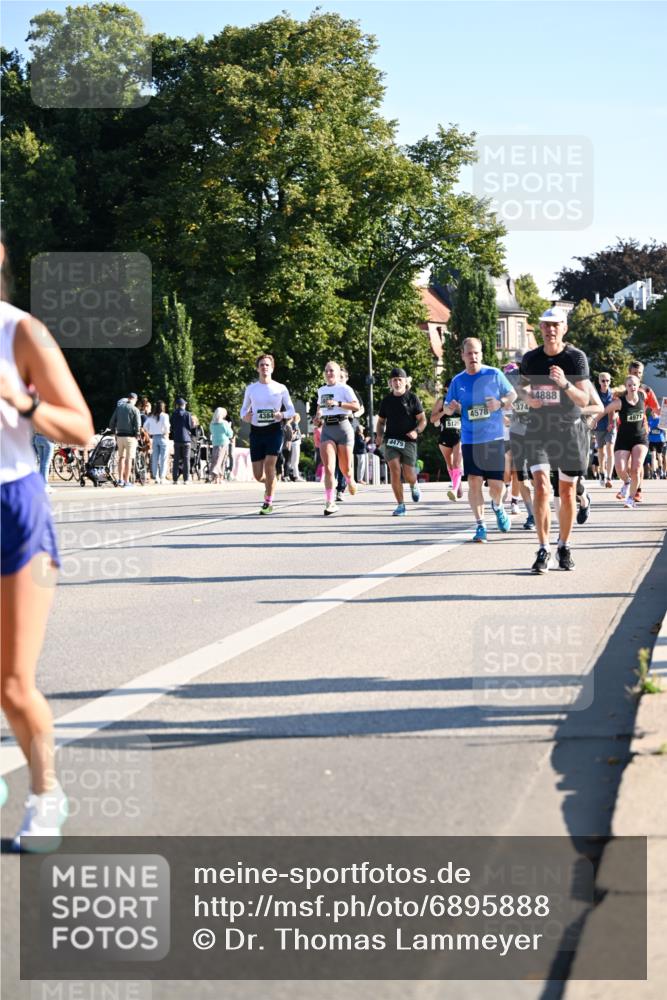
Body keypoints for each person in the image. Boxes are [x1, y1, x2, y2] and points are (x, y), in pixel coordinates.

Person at [0, 239, 94, 849]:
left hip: (13, 508)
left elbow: (81, 429)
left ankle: (45, 794)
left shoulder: (20, 333)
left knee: (11, 681)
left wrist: (21, 400)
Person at [519, 307, 600, 573]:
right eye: (546, 325)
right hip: (539, 428)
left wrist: (564, 383)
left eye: (556, 325)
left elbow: (584, 400)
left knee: (566, 493)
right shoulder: (531, 358)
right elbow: (522, 387)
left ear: (564, 328)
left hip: (569, 430)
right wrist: (527, 397)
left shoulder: (576, 358)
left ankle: (563, 545)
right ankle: (543, 549)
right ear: (540, 328)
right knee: (541, 487)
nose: (550, 329)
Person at [444, 339, 516, 542]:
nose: (473, 357)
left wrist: (500, 403)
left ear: (481, 354)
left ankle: (499, 506)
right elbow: (448, 407)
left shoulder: (494, 374)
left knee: (496, 486)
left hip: (493, 437)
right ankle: (480, 525)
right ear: (463, 356)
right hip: (470, 438)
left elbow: (513, 394)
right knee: (473, 482)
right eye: (469, 354)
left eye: (476, 353)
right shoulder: (458, 381)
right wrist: (450, 408)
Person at [240, 353, 295, 514]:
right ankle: (270, 484)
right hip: (256, 432)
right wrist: (245, 417)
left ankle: (268, 501)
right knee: (258, 475)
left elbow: (291, 410)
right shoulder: (251, 389)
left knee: (270, 465)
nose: (265, 367)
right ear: (258, 368)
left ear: (272, 368)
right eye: (262, 365)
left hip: (274, 430)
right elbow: (243, 410)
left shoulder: (280, 388)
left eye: (267, 365)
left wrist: (282, 415)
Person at [375, 367, 427, 517]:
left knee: (409, 474)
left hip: (408, 441)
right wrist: (379, 435)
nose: (397, 383)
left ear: (405, 382)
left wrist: (416, 431)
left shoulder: (412, 398)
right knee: (395, 471)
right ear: (390, 383)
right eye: (394, 380)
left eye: (399, 380)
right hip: (391, 440)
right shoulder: (386, 400)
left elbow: (423, 420)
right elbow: (380, 422)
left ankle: (414, 484)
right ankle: (400, 505)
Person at [315, 361, 360, 515]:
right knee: (328, 468)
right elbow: (320, 408)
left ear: (338, 373)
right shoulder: (321, 390)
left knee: (345, 468)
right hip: (327, 428)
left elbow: (356, 406)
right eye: (326, 371)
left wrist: (338, 403)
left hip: (343, 427)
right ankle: (330, 502)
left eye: (332, 371)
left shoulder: (345, 388)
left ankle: (349, 479)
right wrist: (317, 417)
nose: (329, 373)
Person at [607, 374, 649, 508]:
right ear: (626, 386)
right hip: (623, 437)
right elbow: (606, 410)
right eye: (629, 385)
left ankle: (631, 498)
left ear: (639, 385)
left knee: (636, 468)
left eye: (635, 384)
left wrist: (659, 411)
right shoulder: (620, 401)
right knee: (620, 467)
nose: (632, 387)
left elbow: (656, 406)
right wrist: (598, 420)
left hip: (640, 436)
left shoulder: (643, 395)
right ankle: (627, 482)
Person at [430, 379, 463, 502]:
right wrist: (444, 411)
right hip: (445, 436)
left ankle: (454, 490)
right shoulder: (441, 401)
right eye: (450, 387)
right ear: (446, 389)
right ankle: (457, 484)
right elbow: (432, 419)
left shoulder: (462, 400)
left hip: (460, 435)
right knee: (449, 465)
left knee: (456, 463)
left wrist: (460, 408)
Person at [109, 391, 141, 488]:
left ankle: (120, 480)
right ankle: (127, 481)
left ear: (128, 398)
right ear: (134, 399)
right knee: (129, 459)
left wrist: (114, 431)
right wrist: (137, 435)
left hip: (119, 436)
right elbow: (138, 425)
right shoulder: (135, 409)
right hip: (130, 437)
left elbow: (111, 422)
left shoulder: (119, 408)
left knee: (121, 458)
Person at [594, 372, 616, 487]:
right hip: (599, 426)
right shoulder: (595, 395)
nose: (605, 383)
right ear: (599, 381)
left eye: (607, 380)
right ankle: (602, 472)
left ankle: (609, 477)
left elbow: (616, 409)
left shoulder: (613, 394)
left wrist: (612, 422)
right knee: (601, 451)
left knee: (610, 448)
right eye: (603, 381)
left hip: (611, 425)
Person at [144, 400, 170, 484]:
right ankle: (162, 477)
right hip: (163, 437)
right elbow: (166, 426)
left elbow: (145, 426)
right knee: (164, 458)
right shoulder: (165, 416)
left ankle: (156, 476)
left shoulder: (151, 416)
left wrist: (150, 431)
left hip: (154, 438)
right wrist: (166, 433)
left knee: (155, 458)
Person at [171, 397, 195, 484]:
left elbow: (172, 425)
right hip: (186, 439)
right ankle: (186, 479)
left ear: (177, 405)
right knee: (186, 459)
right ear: (184, 405)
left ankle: (175, 479)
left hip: (177, 438)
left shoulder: (174, 413)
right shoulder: (188, 414)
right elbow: (190, 426)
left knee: (176, 459)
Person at [209, 407, 233, 484]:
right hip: (224, 443)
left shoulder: (212, 423)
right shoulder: (224, 423)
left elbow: (212, 432)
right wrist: (229, 427)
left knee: (215, 459)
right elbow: (230, 434)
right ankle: (220, 478)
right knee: (222, 460)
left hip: (215, 443)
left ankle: (215, 479)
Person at [648, 413, 666, 479]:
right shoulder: (649, 418)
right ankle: (654, 472)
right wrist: (648, 429)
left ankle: (660, 469)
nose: (653, 413)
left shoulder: (660, 419)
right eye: (652, 412)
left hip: (660, 440)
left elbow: (664, 428)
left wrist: (660, 427)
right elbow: (647, 427)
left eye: (654, 412)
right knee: (653, 456)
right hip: (652, 440)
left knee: (659, 456)